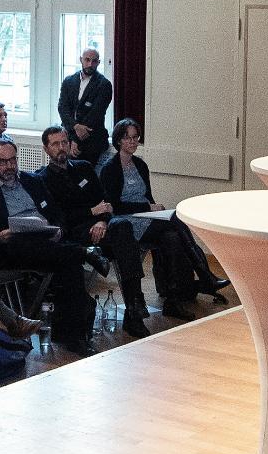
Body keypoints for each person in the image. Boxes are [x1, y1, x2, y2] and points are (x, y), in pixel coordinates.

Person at [0, 137, 96, 353]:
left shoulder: (33, 181)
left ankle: (73, 337)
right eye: (2, 162)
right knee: (62, 256)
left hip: (44, 242)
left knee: (69, 265)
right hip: (8, 248)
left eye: (12, 160)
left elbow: (56, 213)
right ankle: (83, 252)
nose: (9, 166)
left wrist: (58, 230)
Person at [97, 118, 227, 317]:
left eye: (135, 138)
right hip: (127, 221)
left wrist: (154, 210)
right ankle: (205, 274)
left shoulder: (140, 165)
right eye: (127, 138)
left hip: (145, 217)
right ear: (118, 141)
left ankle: (173, 300)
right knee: (175, 219)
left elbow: (148, 196)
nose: (132, 142)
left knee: (172, 236)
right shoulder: (110, 168)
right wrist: (148, 208)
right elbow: (115, 206)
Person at [38, 124, 149, 337]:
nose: (61, 147)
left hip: (101, 228)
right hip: (74, 233)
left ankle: (135, 306)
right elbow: (59, 217)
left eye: (64, 142)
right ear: (46, 149)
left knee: (122, 227)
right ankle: (134, 308)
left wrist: (103, 221)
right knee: (125, 240)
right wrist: (91, 212)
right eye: (55, 144)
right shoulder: (42, 179)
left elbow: (105, 202)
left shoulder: (83, 168)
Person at [57, 48, 113, 163]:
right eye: (87, 60)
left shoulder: (104, 85)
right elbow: (63, 108)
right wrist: (75, 128)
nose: (90, 64)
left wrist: (76, 140)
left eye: (94, 61)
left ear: (98, 62)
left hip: (92, 142)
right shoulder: (69, 81)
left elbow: (95, 115)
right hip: (68, 138)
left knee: (86, 179)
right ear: (81, 60)